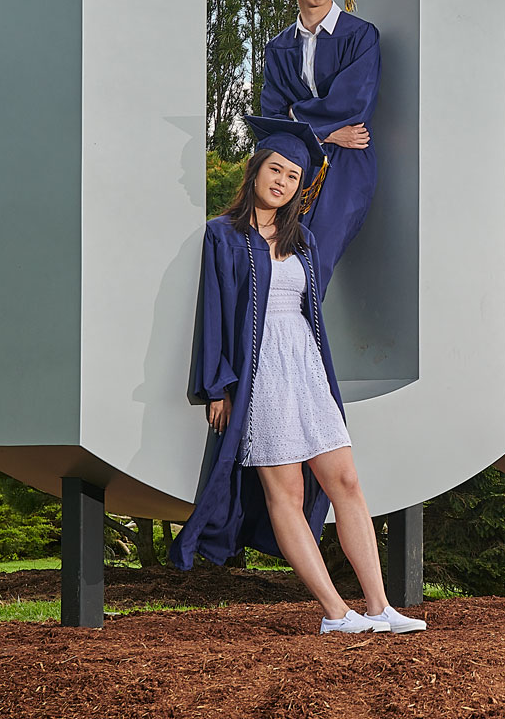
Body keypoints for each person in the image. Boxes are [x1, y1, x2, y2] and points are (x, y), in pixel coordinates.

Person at [173, 116, 425, 636]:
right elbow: (213, 313)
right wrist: (217, 385)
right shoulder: (222, 236)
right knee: (284, 493)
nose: (282, 181)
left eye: (292, 176)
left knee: (346, 482)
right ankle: (336, 611)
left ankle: (379, 607)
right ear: (256, 170)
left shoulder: (303, 239)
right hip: (259, 373)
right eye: (276, 169)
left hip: (306, 366)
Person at [257, 0, 381, 275]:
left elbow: (352, 107)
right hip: (294, 164)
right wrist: (325, 133)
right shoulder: (279, 47)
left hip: (346, 164)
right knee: (272, 262)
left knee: (312, 266)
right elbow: (272, 116)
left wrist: (297, 116)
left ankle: (304, 332)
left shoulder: (360, 36)